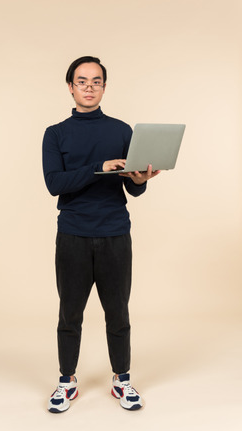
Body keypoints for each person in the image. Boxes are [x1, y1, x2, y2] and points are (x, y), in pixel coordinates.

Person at [42, 56, 160, 413]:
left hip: (114, 234)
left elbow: (133, 189)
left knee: (118, 313)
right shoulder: (56, 133)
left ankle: (122, 381)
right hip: (74, 235)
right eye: (82, 81)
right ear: (70, 87)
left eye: (96, 81)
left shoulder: (123, 130)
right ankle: (67, 382)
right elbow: (54, 184)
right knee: (70, 314)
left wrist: (140, 181)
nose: (89, 87)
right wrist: (98, 167)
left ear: (104, 87)